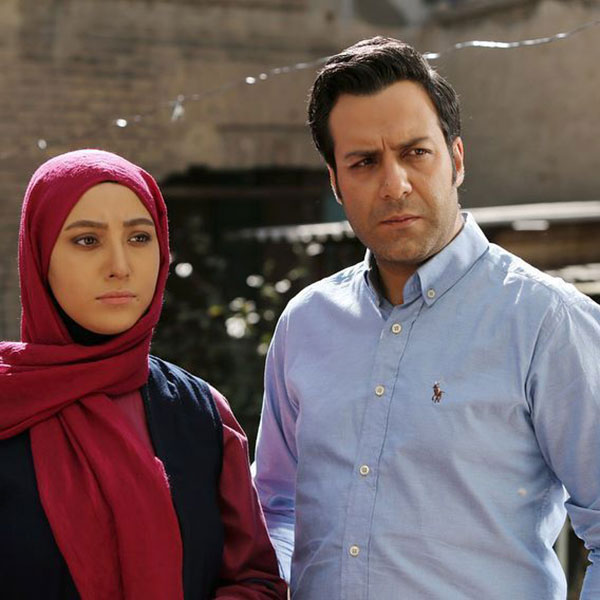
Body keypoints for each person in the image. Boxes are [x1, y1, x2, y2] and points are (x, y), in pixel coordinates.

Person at [253, 37, 600, 599]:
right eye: (364, 162)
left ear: (456, 159)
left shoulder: (545, 322)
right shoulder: (306, 323)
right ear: (335, 182)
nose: (395, 185)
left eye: (415, 152)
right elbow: (275, 508)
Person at [0, 149, 287, 600]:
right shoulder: (8, 402)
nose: (120, 266)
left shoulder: (202, 413)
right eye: (87, 240)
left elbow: (255, 580)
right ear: (39, 254)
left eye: (139, 237)